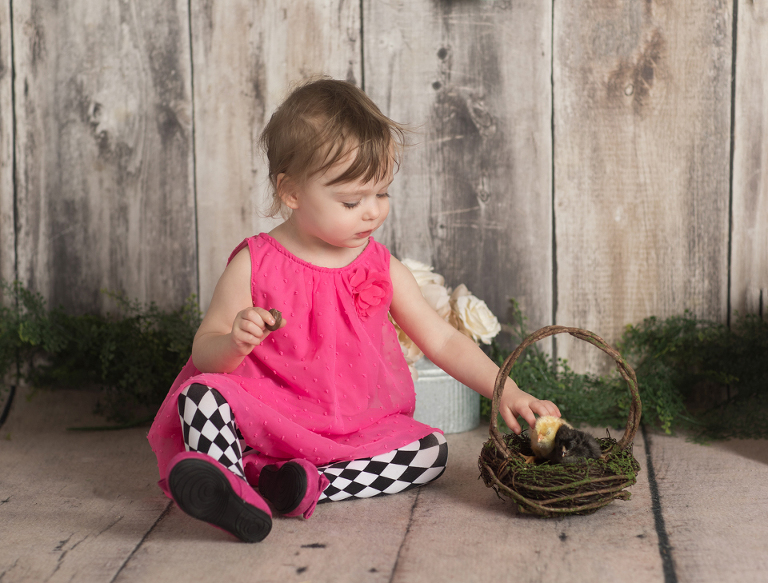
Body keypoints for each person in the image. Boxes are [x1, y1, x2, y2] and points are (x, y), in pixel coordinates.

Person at [147, 78, 560, 543]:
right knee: (199, 396)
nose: (372, 212)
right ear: (292, 192)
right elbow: (204, 353)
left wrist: (506, 390)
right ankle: (232, 486)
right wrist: (232, 342)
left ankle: (297, 486)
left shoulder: (383, 267)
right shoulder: (255, 263)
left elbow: (442, 340)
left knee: (430, 451)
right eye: (351, 201)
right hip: (267, 421)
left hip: (354, 430)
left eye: (381, 193)